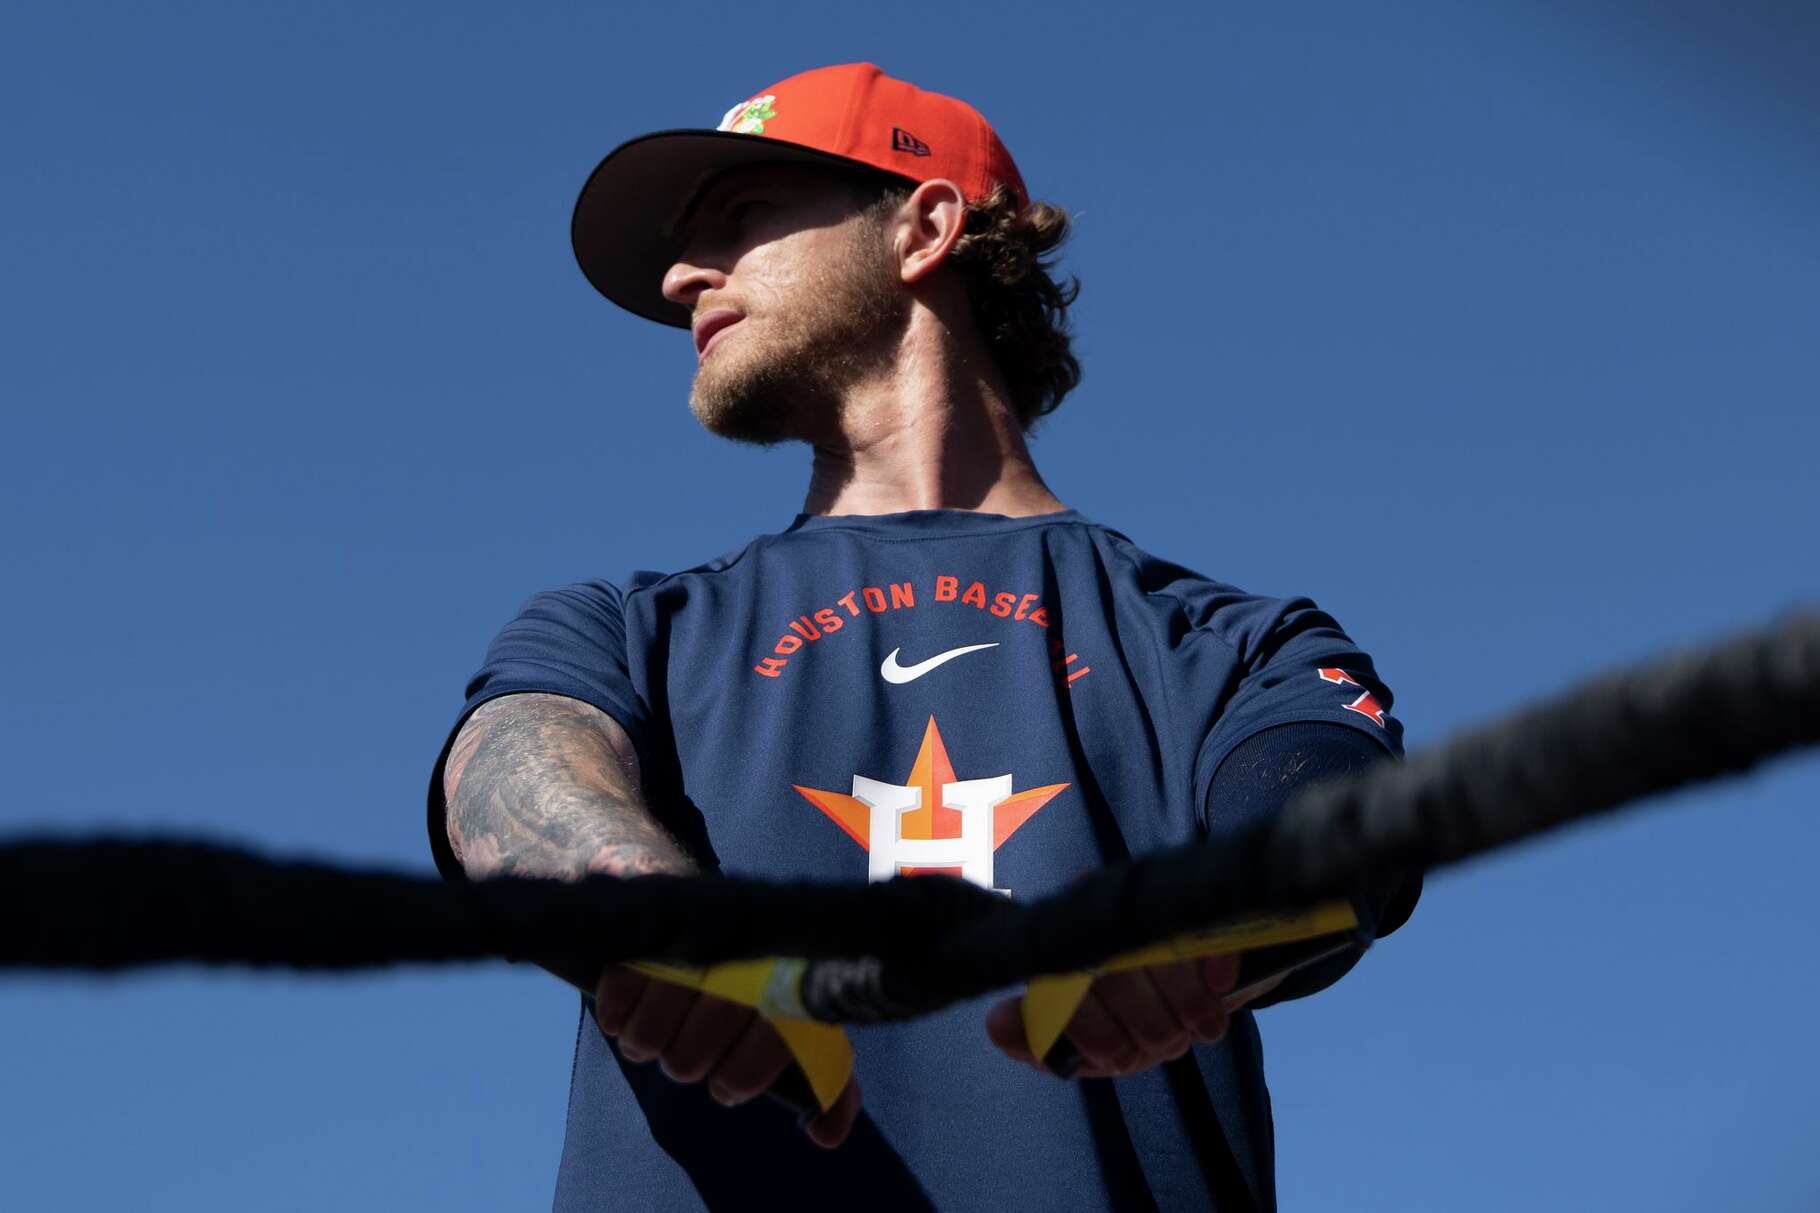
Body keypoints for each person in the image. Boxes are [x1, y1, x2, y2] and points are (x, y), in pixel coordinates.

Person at [426, 62, 1419, 1212]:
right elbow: (506, 761)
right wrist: (659, 914)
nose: (680, 274)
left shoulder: (1230, 642)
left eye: (740, 217)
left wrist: (1208, 925)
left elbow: (1330, 812)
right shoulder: (626, 626)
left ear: (923, 226)